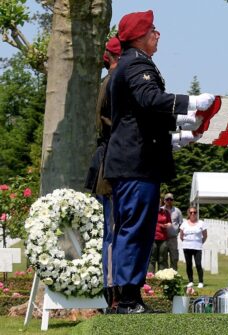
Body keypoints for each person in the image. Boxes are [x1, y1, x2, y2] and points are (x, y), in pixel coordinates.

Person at [104, 10, 214, 313]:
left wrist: (178, 131)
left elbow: (143, 117)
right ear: (139, 35)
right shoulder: (137, 63)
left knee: (137, 229)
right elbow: (150, 100)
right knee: (135, 231)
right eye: (152, 29)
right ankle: (126, 298)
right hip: (135, 165)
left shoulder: (130, 63)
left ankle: (130, 296)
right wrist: (190, 102)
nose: (157, 33)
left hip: (137, 162)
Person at [83, 36, 121, 310]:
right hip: (111, 165)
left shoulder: (111, 81)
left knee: (114, 231)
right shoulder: (113, 83)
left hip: (110, 160)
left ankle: (113, 292)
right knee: (112, 232)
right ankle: (110, 293)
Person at [180, 207, 208, 288]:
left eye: (195, 212)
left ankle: (201, 282)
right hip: (187, 247)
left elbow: (205, 235)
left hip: (197, 247)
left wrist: (199, 242)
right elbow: (181, 236)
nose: (193, 214)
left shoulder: (201, 223)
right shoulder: (184, 224)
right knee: (188, 264)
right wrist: (187, 242)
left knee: (198, 264)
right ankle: (191, 281)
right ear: (188, 213)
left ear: (197, 213)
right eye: (191, 212)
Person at [161, 192, 182, 271]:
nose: (169, 201)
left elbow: (181, 224)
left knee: (174, 258)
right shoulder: (160, 210)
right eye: (167, 199)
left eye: (171, 199)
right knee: (163, 258)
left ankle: (174, 276)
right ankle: (165, 277)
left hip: (173, 238)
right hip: (163, 238)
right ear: (164, 200)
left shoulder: (177, 211)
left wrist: (176, 232)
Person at [148, 200, 171, 273]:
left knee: (162, 259)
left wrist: (167, 225)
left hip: (163, 238)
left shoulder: (165, 212)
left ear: (161, 203)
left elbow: (170, 223)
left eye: (159, 202)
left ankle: (161, 278)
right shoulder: (149, 211)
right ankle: (151, 278)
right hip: (152, 238)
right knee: (152, 259)